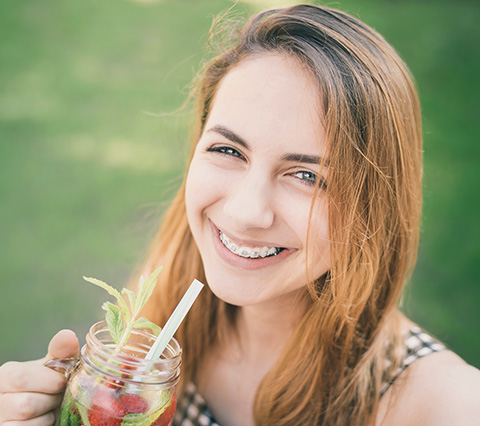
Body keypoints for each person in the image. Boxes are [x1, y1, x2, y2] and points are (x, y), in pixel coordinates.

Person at [0, 4, 479, 426]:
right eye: (228, 149)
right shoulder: (164, 305)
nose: (246, 211)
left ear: (374, 205)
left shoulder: (449, 408)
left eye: (308, 177)